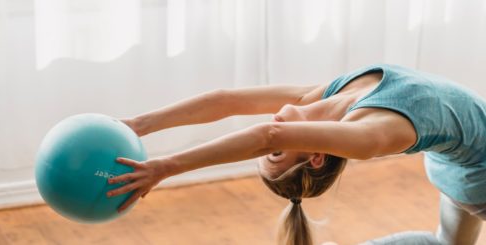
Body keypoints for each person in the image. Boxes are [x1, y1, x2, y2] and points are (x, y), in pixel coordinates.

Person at [106, 64, 486, 245]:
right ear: (316, 156)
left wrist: (141, 125)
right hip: (476, 177)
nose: (275, 136)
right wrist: (166, 168)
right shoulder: (368, 136)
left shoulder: (329, 95)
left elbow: (227, 100)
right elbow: (267, 134)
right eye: (275, 154)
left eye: (270, 152)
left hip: (454, 162)